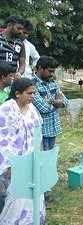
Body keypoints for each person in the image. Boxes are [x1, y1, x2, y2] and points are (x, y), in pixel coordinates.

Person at [0, 78, 45, 224]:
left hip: (32, 159)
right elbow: (3, 138)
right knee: (16, 197)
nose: (33, 96)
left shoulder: (32, 109)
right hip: (14, 163)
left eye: (34, 93)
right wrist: (8, 165)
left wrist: (39, 155)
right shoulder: (6, 109)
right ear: (18, 94)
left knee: (33, 193)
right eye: (30, 93)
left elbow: (38, 133)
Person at [32, 56, 69, 151]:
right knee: (41, 161)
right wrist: (56, 103)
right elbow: (43, 108)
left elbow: (66, 101)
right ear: (40, 68)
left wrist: (54, 103)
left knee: (50, 158)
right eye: (50, 71)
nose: (52, 74)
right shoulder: (32, 85)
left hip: (53, 129)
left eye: (53, 71)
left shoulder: (53, 83)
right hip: (40, 131)